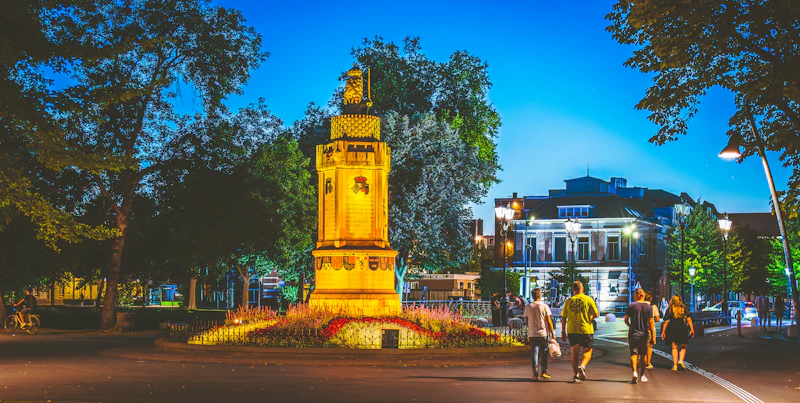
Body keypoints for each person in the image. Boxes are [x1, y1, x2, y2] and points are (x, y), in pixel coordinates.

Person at [561, 281, 599, 383]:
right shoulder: (588, 299)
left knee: (574, 353)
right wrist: (590, 318)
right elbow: (596, 313)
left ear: (573, 290)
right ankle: (582, 366)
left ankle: (576, 375)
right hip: (586, 329)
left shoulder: (569, 301)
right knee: (587, 351)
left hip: (572, 330)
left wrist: (563, 332)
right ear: (582, 289)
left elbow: (563, 318)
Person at [525, 288, 556, 381]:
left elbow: (527, 320)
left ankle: (535, 373)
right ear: (540, 295)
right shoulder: (544, 306)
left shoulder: (528, 306)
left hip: (532, 333)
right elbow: (549, 321)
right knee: (544, 352)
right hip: (543, 333)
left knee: (534, 353)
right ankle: (543, 371)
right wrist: (553, 333)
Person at [625, 289, 655, 384]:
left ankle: (634, 372)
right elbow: (650, 322)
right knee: (643, 355)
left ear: (637, 295)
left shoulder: (631, 305)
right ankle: (642, 375)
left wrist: (630, 325)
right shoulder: (649, 307)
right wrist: (653, 335)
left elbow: (626, 319)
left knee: (633, 353)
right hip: (644, 334)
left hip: (633, 333)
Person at [661, 295, 695, 371]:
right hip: (682, 328)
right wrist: (692, 329)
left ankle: (675, 365)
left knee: (674, 347)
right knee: (683, 347)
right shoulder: (684, 308)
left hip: (672, 328)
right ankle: (681, 361)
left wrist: (663, 331)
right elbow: (689, 319)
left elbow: (666, 321)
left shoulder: (670, 309)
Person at [643, 291, 660, 370]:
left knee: (641, 346)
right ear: (651, 298)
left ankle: (641, 362)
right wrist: (652, 320)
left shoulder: (640, 306)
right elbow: (658, 319)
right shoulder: (653, 307)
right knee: (650, 345)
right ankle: (648, 363)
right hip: (650, 328)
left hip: (641, 327)